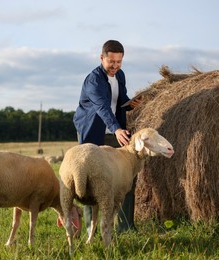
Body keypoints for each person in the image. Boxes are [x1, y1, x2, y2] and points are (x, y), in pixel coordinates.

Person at [73, 40, 142, 235]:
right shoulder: (93, 80)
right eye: (111, 61)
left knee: (126, 177)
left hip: (115, 132)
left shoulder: (120, 75)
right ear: (101, 58)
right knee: (89, 181)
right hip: (93, 132)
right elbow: (102, 107)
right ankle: (90, 231)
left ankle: (126, 227)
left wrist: (131, 104)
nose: (115, 66)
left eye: (119, 62)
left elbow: (119, 100)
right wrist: (117, 129)